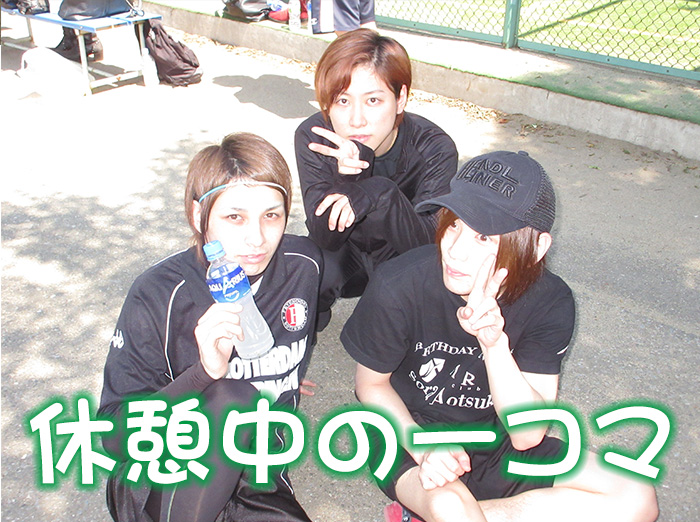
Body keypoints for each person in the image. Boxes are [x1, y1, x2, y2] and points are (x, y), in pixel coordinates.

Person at [340, 151, 659, 522]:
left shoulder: (550, 300)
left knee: (637, 495)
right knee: (450, 507)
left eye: (483, 237)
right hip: (406, 436)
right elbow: (371, 385)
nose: (454, 250)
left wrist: (494, 345)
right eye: (453, 224)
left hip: (498, 440)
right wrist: (422, 446)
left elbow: (527, 434)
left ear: (536, 248)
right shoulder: (400, 283)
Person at [98, 133, 322, 522]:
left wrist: (280, 371)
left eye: (271, 215)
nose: (257, 238)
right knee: (234, 396)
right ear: (198, 215)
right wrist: (203, 374)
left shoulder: (304, 266)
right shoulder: (158, 293)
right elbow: (114, 436)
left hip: (257, 473)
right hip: (165, 475)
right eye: (235, 217)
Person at [295, 28, 458, 326]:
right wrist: (347, 179)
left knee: (418, 305)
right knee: (303, 271)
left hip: (401, 254)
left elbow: (428, 249)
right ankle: (315, 311)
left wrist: (380, 193)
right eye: (342, 101)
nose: (356, 120)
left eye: (373, 101)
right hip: (344, 252)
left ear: (400, 98)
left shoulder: (434, 148)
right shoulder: (316, 137)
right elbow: (323, 237)